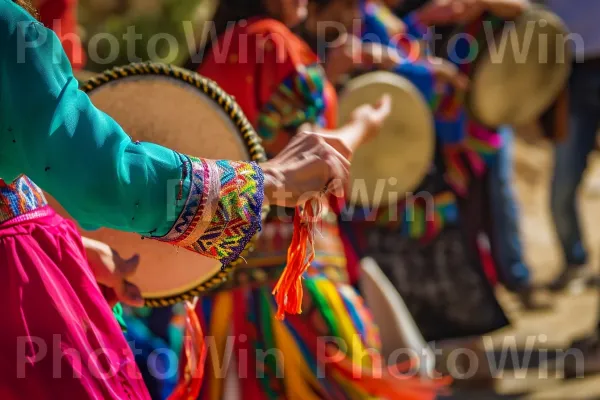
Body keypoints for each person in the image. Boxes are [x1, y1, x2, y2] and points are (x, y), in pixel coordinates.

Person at [0, 0, 352, 398]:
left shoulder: (228, 43)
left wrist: (72, 246)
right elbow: (103, 172)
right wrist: (270, 178)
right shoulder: (5, 28)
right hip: (20, 301)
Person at [183, 0, 446, 398]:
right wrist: (363, 125)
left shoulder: (225, 45)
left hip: (231, 282)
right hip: (294, 284)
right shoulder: (274, 40)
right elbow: (307, 161)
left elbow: (260, 138)